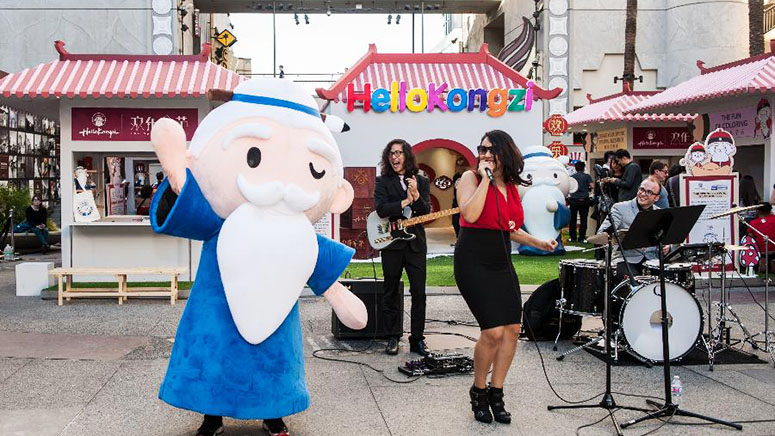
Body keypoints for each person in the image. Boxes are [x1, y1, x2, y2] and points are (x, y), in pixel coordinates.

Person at [149, 78, 367, 436]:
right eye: (254, 156)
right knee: (214, 360)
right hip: (215, 310)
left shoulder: (297, 233)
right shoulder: (221, 222)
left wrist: (339, 294)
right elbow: (184, 209)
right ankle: (212, 416)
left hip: (276, 316)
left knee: (274, 365)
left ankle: (274, 415)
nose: (281, 184)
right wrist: (177, 175)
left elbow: (315, 263)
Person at [454, 130, 556, 424]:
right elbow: (470, 215)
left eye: (490, 149)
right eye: (481, 149)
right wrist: (485, 178)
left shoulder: (511, 187)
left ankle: (497, 392)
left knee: (512, 328)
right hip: (472, 261)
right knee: (492, 331)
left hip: (501, 261)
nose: (484, 153)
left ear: (504, 153)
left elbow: (510, 227)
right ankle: (479, 391)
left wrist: (539, 242)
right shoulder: (470, 179)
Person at [374, 139, 431, 356]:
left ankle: (417, 338)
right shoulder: (382, 181)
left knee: (419, 293)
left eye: (398, 153)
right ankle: (392, 337)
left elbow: (425, 213)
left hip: (415, 245)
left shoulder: (422, 181)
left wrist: (415, 195)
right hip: (392, 246)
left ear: (407, 155)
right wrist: (404, 202)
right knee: (390, 291)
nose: (395, 157)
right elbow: (380, 210)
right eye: (391, 153)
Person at [597, 178, 664, 279]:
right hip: (626, 260)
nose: (643, 194)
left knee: (669, 280)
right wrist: (625, 236)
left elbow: (667, 238)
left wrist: (667, 247)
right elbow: (602, 233)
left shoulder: (660, 213)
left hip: (652, 260)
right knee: (634, 281)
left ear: (656, 198)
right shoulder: (620, 208)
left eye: (649, 192)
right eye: (642, 189)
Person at [568, 161, 594, 242]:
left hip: (573, 200)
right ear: (583, 168)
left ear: (575, 168)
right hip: (584, 200)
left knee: (572, 219)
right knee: (583, 220)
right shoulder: (587, 176)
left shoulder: (572, 177)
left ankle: (573, 237)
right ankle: (581, 238)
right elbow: (592, 186)